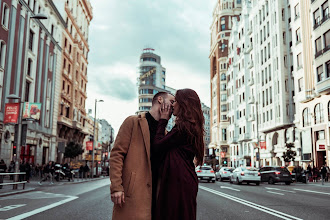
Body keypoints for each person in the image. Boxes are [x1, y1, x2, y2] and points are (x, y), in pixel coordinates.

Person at [109, 91, 175, 220]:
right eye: (172, 102)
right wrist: (116, 187)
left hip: (157, 194)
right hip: (133, 193)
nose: (174, 106)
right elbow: (117, 155)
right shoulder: (133, 122)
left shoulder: (166, 133)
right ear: (160, 100)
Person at [153, 89, 205, 220]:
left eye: (175, 101)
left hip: (178, 181)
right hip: (183, 179)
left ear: (183, 104)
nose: (173, 105)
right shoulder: (190, 126)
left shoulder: (184, 128)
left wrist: (163, 120)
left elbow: (158, 145)